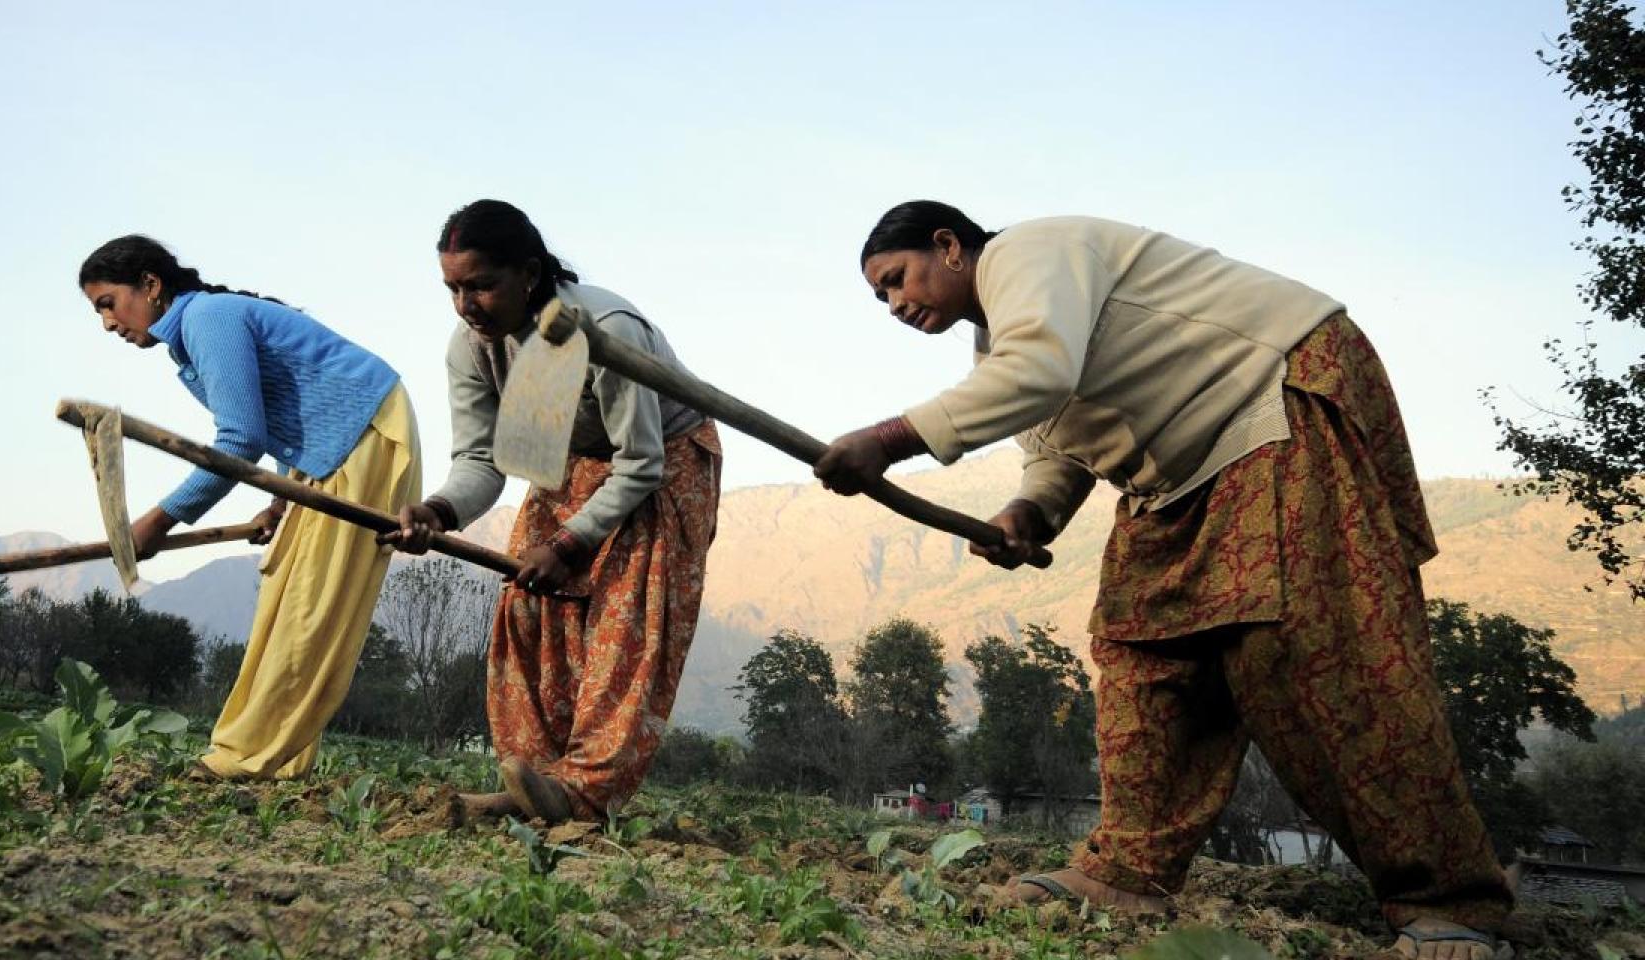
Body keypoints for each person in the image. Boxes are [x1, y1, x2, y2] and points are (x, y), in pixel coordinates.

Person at [812, 204, 1515, 960]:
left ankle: (1450, 902)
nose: (895, 306)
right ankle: (1128, 870)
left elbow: (1039, 373)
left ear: (949, 246)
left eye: (896, 279)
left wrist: (887, 440)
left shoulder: (1030, 254)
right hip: (1175, 477)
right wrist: (1026, 515)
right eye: (880, 298)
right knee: (1139, 650)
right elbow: (1058, 449)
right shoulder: (998, 349)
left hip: (1271, 398)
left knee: (1314, 653)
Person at [388, 200, 721, 824]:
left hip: (662, 462)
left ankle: (583, 792)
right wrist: (438, 510)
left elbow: (641, 463)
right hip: (568, 460)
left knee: (627, 626)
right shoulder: (473, 348)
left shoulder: (604, 329)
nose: (466, 304)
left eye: (482, 285)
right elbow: (483, 461)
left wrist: (571, 544)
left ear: (530, 274)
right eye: (453, 289)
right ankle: (537, 783)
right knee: (530, 605)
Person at [78, 235, 419, 781]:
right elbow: (293, 414)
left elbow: (241, 438)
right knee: (285, 593)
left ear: (150, 285)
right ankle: (271, 756)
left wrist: (161, 518)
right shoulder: (198, 330)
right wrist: (280, 502)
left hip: (364, 433)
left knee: (311, 606)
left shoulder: (208, 319)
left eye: (107, 303)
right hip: (327, 448)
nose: (106, 323)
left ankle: (244, 757)